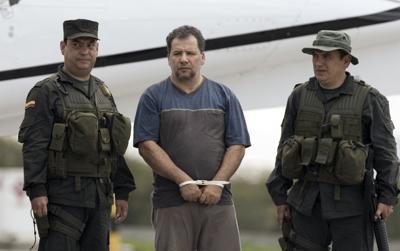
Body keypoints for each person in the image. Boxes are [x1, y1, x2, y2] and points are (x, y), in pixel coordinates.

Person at [266, 30, 399, 251]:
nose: (319, 63)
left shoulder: (370, 99)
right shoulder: (299, 96)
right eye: (316, 56)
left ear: (345, 61)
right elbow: (284, 147)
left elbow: (386, 153)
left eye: (327, 56)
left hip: (352, 208)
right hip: (306, 203)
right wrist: (280, 196)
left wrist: (386, 197)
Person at [18, 19, 135, 251]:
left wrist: (122, 190)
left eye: (90, 45)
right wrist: (37, 190)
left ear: (97, 49)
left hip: (100, 201)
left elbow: (113, 146)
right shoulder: (46, 91)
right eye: (77, 44)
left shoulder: (103, 92)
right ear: (63, 47)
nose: (84, 51)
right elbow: (34, 145)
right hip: (63, 200)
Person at [133, 25, 251, 251]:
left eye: (190, 53)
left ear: (202, 57)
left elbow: (237, 145)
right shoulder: (153, 96)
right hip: (171, 200)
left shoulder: (224, 95)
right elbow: (147, 146)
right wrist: (182, 180)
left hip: (219, 199)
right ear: (168, 58)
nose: (184, 59)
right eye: (177, 53)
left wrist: (217, 184)